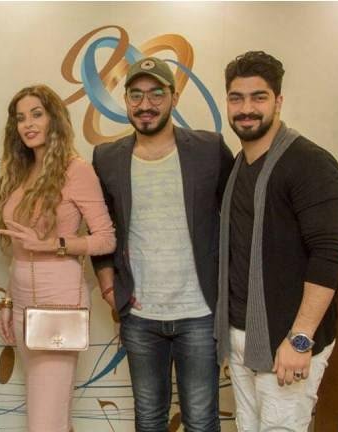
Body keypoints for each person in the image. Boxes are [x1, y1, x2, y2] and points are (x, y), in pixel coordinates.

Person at [91, 57, 234, 431]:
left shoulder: (209, 148)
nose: (146, 104)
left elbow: (237, 217)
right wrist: (109, 288)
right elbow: (102, 228)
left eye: (156, 94)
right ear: (126, 100)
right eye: (136, 95)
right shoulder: (106, 157)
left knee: (201, 420)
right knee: (149, 419)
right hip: (140, 317)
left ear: (174, 97)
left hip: (199, 313)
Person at [214, 50, 338, 431]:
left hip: (288, 342)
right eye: (236, 98)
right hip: (243, 336)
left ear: (278, 101)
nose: (246, 109)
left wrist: (300, 338)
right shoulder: (238, 167)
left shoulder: (310, 163)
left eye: (259, 97)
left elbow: (328, 254)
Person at [0, 84, 116, 432]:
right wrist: (8, 301)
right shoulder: (21, 171)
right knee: (52, 415)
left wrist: (51, 245)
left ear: (54, 120)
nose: (28, 124)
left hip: (58, 300)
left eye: (37, 114)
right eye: (21, 118)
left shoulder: (76, 170)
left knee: (45, 421)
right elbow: (20, 247)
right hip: (22, 301)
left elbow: (105, 238)